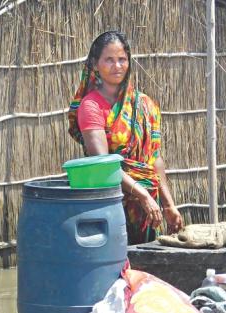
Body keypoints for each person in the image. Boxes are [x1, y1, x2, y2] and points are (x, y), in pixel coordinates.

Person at [68, 31, 184, 244]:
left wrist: (168, 204)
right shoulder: (91, 106)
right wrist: (142, 195)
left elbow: (154, 159)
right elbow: (103, 166)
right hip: (111, 207)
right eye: (109, 60)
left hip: (149, 209)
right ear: (95, 64)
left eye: (122, 59)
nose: (117, 66)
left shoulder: (144, 104)